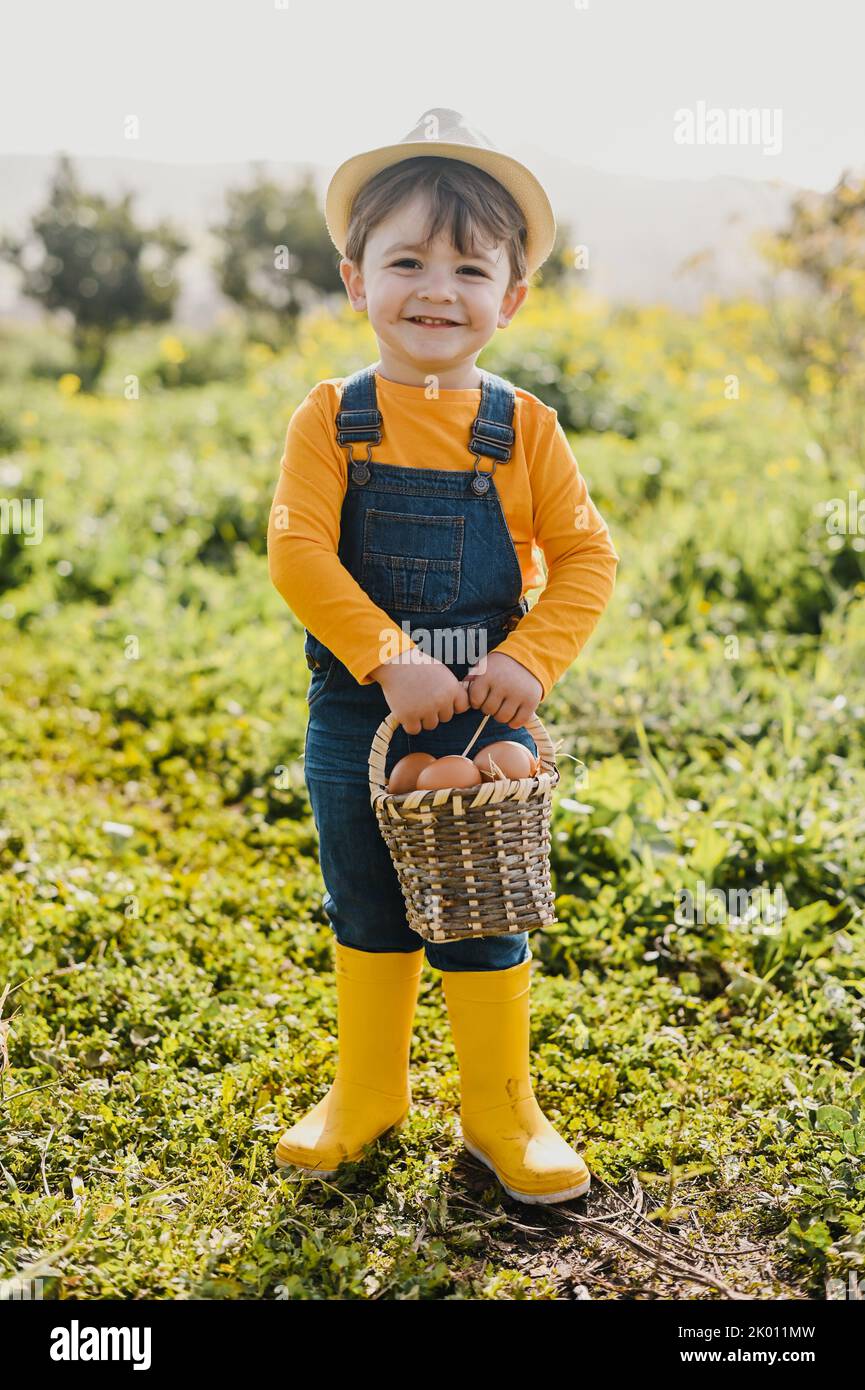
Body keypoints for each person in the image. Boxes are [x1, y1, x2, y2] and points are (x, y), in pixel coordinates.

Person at [266, 108, 620, 1204]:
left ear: (509, 300)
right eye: (406, 259)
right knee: (365, 898)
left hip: (484, 711)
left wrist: (531, 658)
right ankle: (366, 1090)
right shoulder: (332, 418)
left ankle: (498, 1108)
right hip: (358, 714)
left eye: (470, 267)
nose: (436, 288)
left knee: (482, 908)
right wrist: (384, 654)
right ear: (353, 281)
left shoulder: (524, 428)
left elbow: (583, 557)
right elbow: (295, 551)